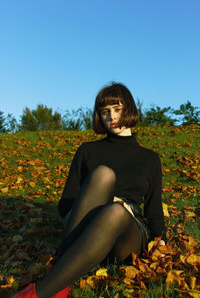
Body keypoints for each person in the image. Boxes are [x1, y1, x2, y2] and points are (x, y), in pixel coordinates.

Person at [14, 82, 166, 298]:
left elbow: (154, 211)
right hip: (84, 230)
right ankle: (58, 281)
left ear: (129, 109)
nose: (111, 116)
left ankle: (42, 289)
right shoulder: (87, 151)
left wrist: (161, 241)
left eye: (117, 109)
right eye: (105, 112)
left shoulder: (150, 158)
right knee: (103, 175)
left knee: (115, 211)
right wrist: (103, 201)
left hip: (127, 233)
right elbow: (66, 204)